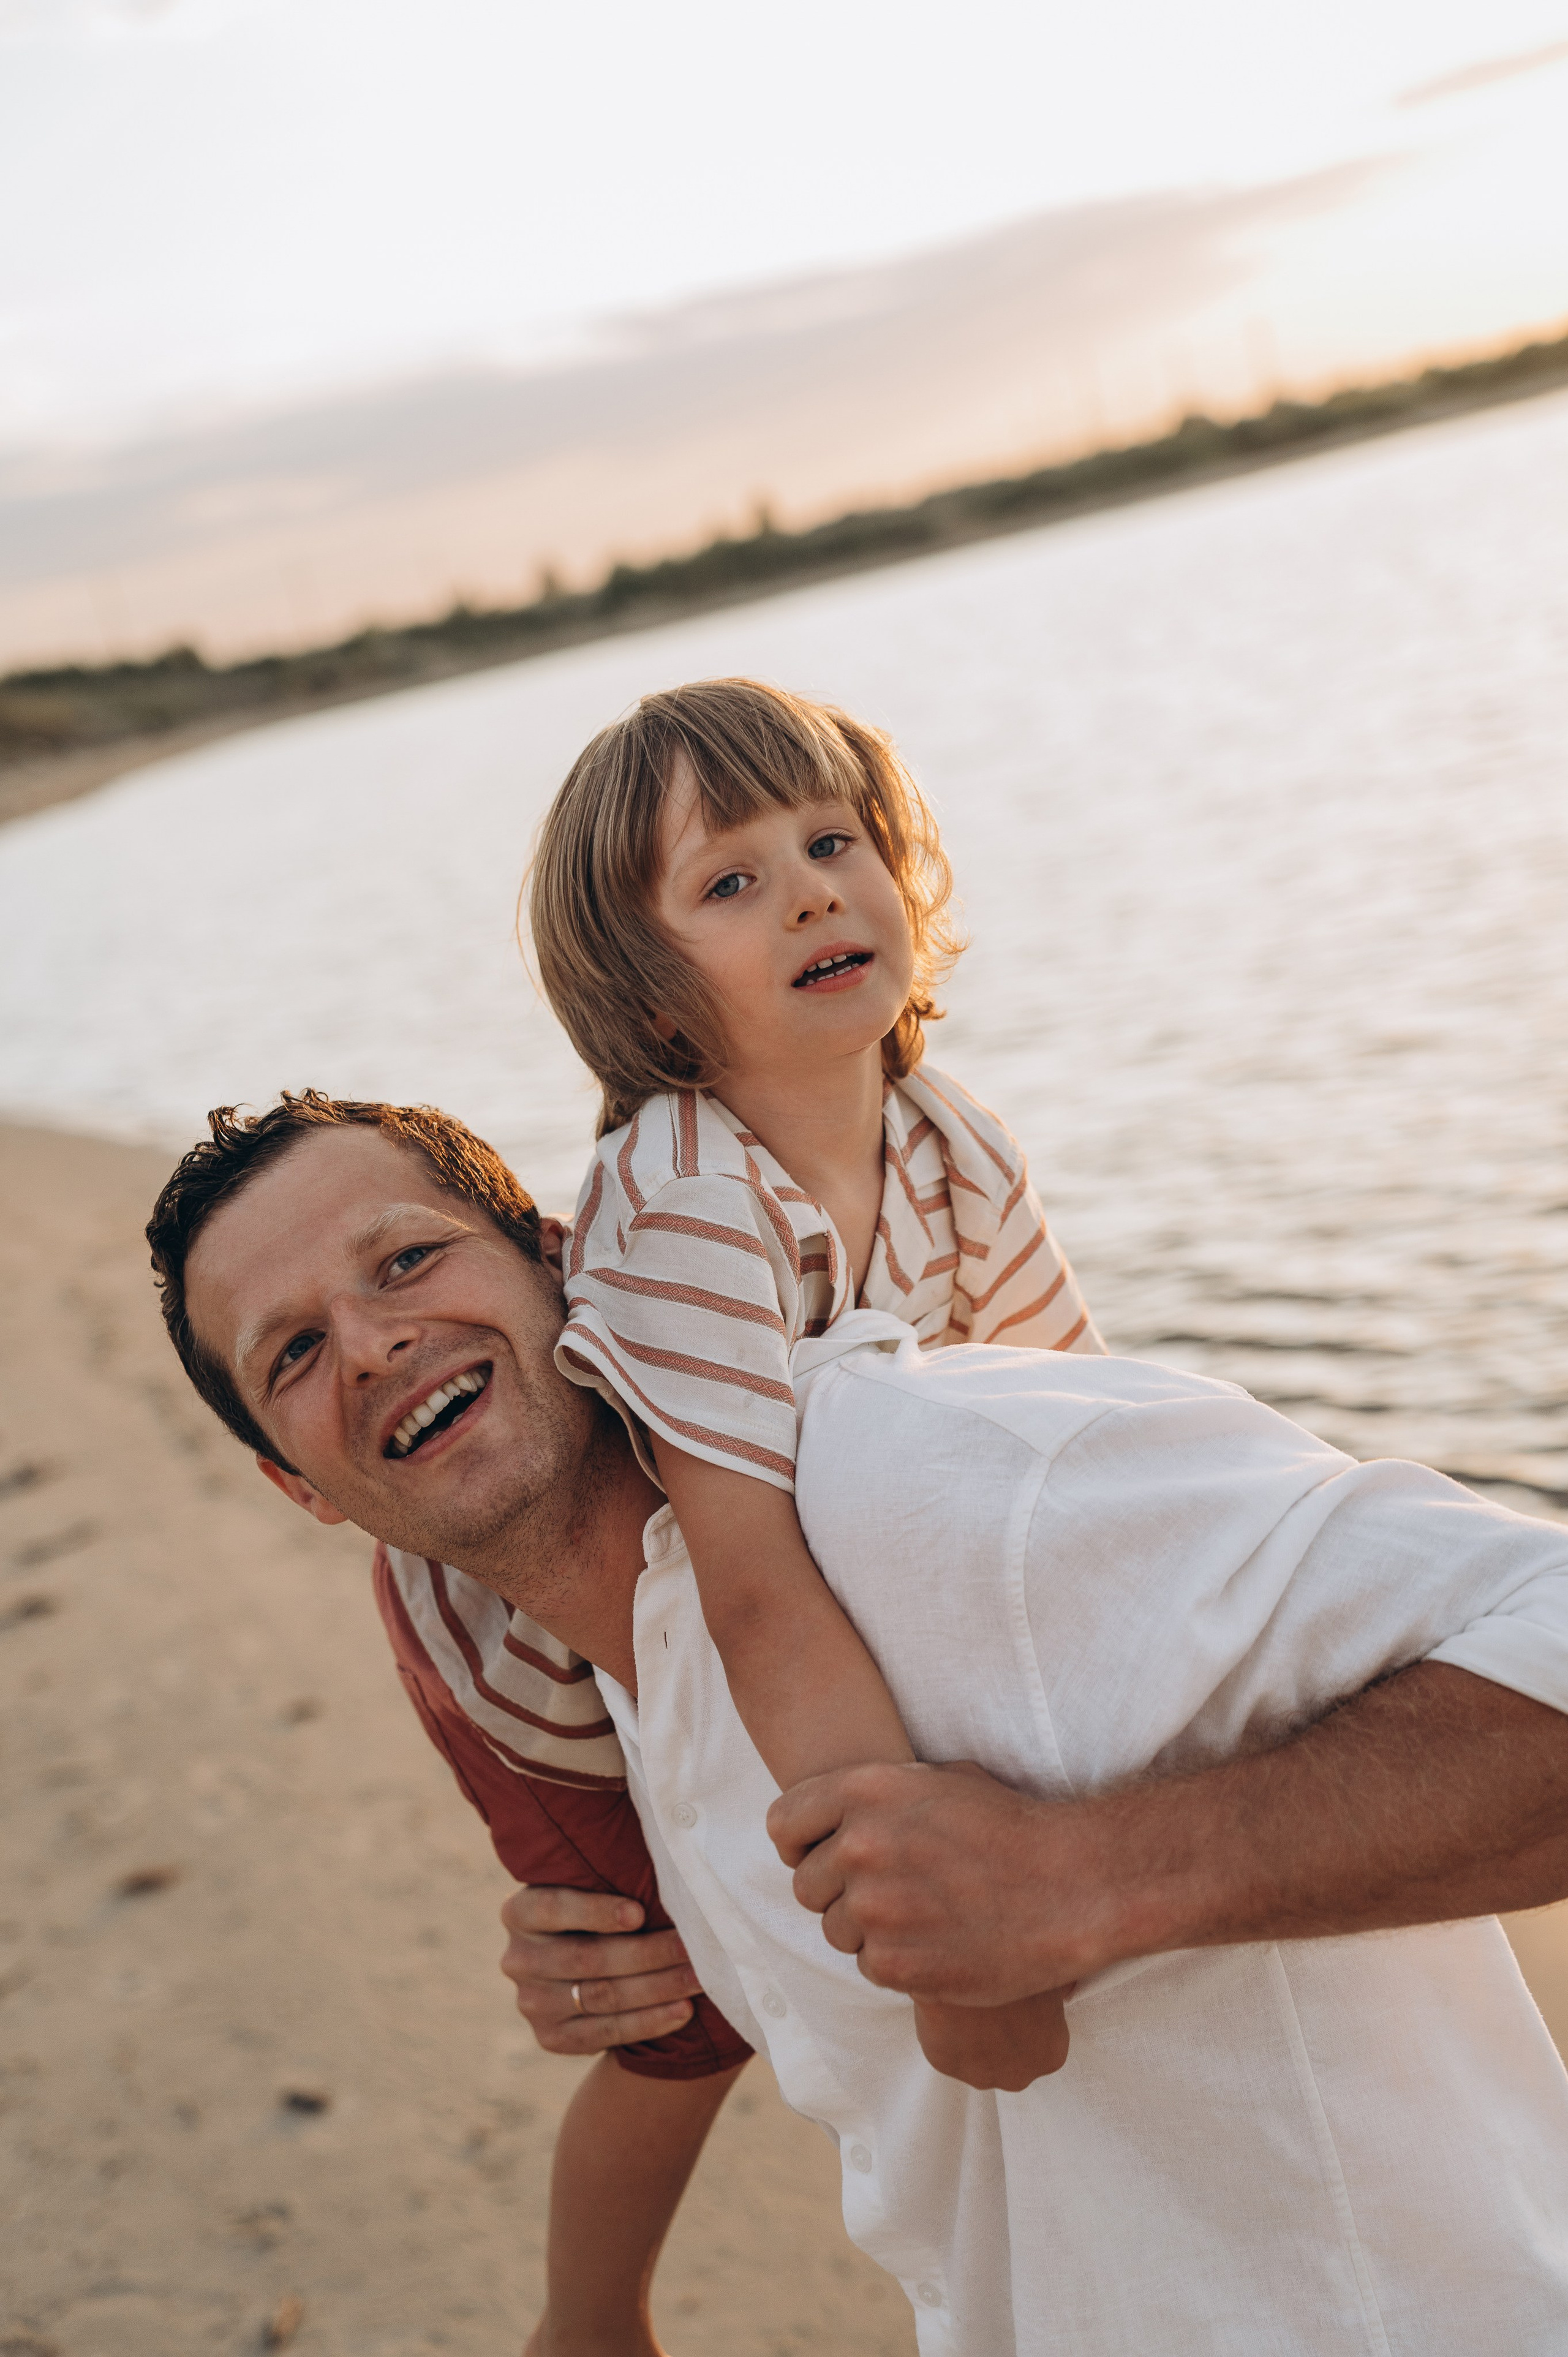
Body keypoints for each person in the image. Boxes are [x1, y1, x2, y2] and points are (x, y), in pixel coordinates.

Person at [147, 1092, 1568, 2355]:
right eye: (293, 1354)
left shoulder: (926, 1480)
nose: (377, 1340)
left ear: (561, 1262)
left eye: (406, 1260)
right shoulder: (628, 1694)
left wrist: (1093, 1875)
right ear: (301, 1487)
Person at [529, 677, 1099, 2086]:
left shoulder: (946, 1136)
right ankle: (588, 2308)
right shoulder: (687, 1198)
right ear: (648, 995)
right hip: (596, 1645)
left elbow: (1081, 1418)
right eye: (730, 879)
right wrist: (936, 1943)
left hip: (823, 1608)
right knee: (672, 2022)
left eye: (831, 844)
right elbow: (756, 1594)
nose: (806, 895)